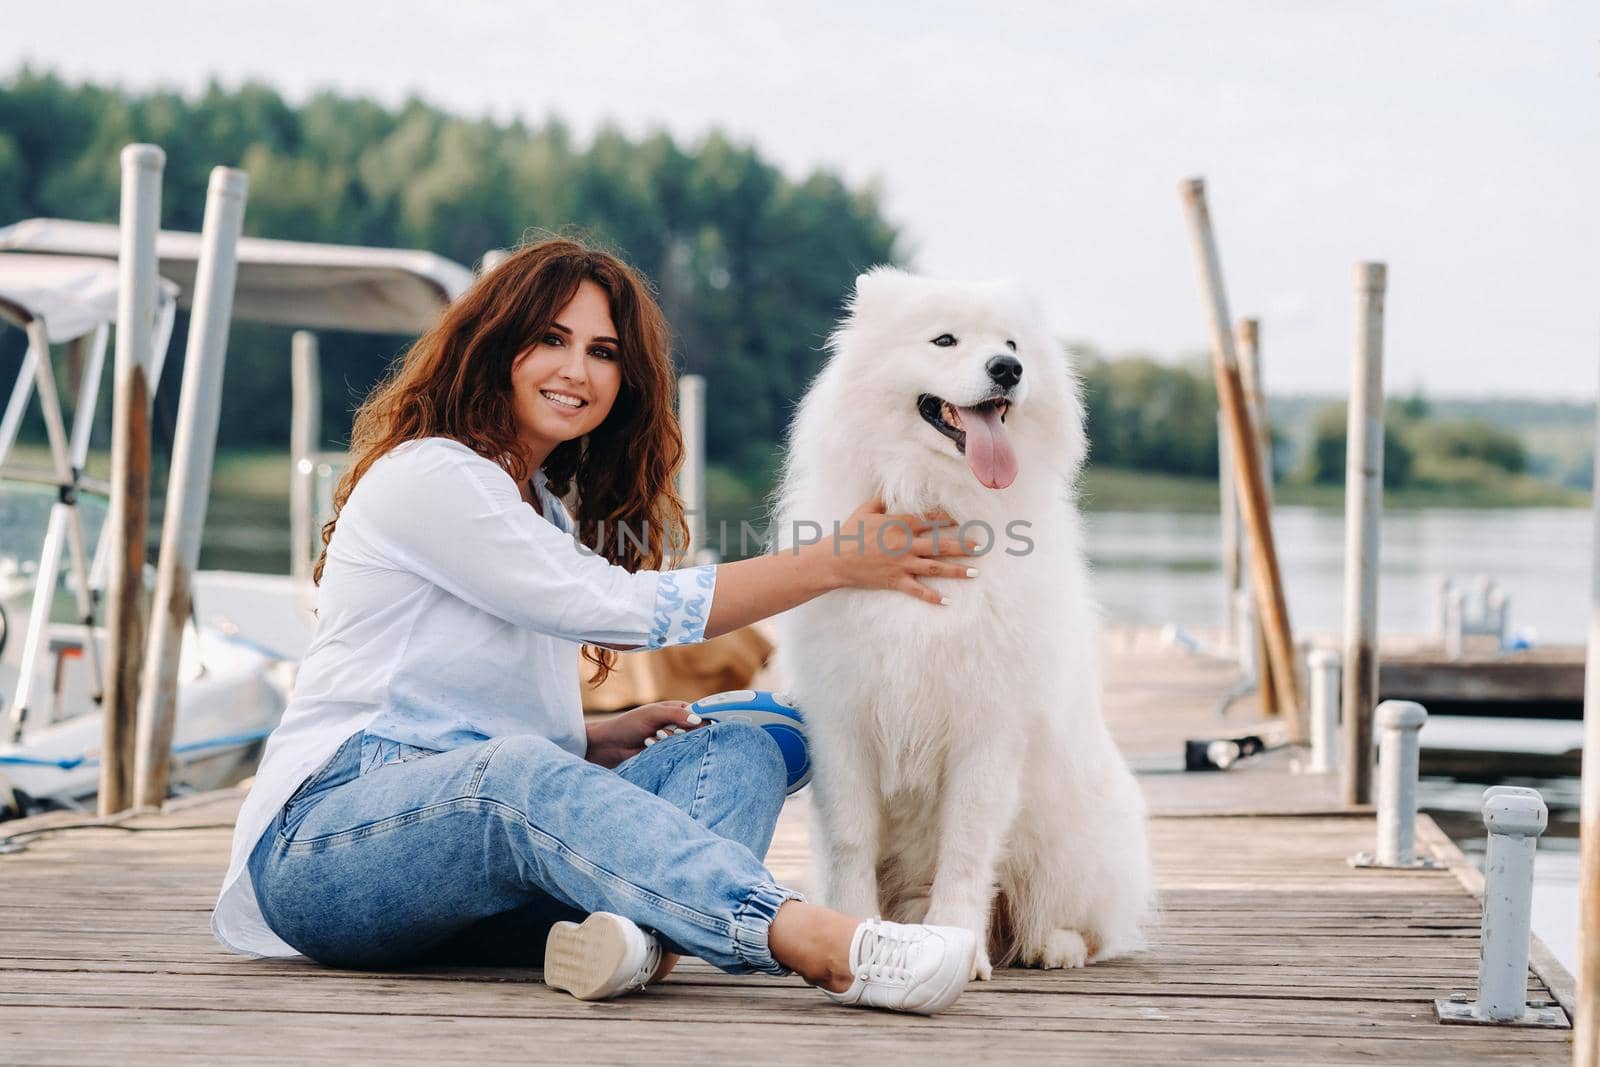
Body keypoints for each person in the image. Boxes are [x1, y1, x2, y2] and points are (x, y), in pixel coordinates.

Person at [211, 238, 983, 1015]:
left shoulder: (539, 502)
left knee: (752, 740)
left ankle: (636, 939)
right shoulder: (431, 474)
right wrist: (834, 560)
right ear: (493, 346)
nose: (577, 369)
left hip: (475, 885)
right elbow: (614, 610)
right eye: (550, 338)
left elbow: (463, 697)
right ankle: (818, 940)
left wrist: (584, 738)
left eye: (603, 350)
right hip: (325, 848)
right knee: (512, 773)